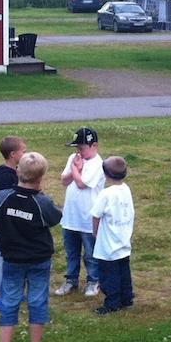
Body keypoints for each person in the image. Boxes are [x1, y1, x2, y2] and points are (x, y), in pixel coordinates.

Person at [0, 152, 62, 342]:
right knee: (37, 300)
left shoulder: (2, 198)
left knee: (9, 301)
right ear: (42, 177)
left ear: (18, 171)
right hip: (39, 260)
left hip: (12, 260)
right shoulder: (42, 202)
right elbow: (56, 217)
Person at [54, 127, 104, 297]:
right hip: (71, 216)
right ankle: (71, 280)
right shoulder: (73, 159)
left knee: (90, 253)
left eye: (82, 148)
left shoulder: (98, 164)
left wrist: (77, 168)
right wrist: (76, 167)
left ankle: (93, 280)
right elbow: (64, 180)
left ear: (94, 145)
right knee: (71, 252)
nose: (78, 152)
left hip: (88, 218)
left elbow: (82, 184)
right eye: (77, 148)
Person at [0, 135, 27, 312]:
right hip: (1, 228)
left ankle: (7, 291)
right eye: (24, 151)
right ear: (13, 154)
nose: (26, 154)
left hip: (11, 227)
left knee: (10, 258)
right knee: (0, 259)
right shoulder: (4, 179)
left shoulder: (13, 174)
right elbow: (0, 205)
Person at [90, 156, 135, 315]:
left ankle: (112, 303)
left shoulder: (106, 194)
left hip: (108, 244)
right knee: (124, 271)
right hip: (123, 239)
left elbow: (96, 215)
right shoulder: (126, 189)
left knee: (109, 276)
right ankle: (127, 299)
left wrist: (95, 233)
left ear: (105, 174)